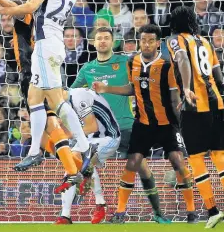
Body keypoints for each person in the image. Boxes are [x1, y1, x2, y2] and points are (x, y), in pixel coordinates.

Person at [0, 0, 89, 192]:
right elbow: (27, 8)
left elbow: (28, 8)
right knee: (38, 101)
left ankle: (73, 151)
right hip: (54, 47)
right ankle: (39, 151)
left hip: (44, 50)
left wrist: (2, 7)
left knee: (54, 105)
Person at [93, 24, 197, 224]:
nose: (146, 44)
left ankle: (191, 212)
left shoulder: (167, 65)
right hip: (143, 123)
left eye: (151, 41)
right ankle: (120, 213)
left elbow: (175, 98)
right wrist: (107, 88)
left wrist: (182, 125)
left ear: (158, 43)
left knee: (178, 162)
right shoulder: (132, 62)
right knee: (132, 163)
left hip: (167, 124)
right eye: (143, 40)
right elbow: (132, 89)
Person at [166, 6, 224, 228]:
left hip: (194, 107)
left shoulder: (175, 40)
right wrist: (213, 94)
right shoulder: (205, 41)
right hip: (216, 103)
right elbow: (218, 77)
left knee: (197, 158)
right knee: (220, 156)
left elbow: (182, 60)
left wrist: (188, 89)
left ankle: (213, 210)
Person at [54, 88, 120, 225]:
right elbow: (72, 132)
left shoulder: (78, 97)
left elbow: (92, 127)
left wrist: (66, 134)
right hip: (90, 139)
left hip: (108, 137)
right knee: (71, 165)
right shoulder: (64, 106)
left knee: (81, 160)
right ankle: (65, 215)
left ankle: (99, 203)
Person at [71, 27, 135, 158]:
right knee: (94, 167)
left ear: (113, 42)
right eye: (99, 38)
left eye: (106, 38)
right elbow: (72, 94)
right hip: (102, 129)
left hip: (126, 126)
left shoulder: (125, 62)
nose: (102, 41)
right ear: (93, 43)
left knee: (136, 167)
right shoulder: (87, 68)